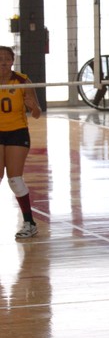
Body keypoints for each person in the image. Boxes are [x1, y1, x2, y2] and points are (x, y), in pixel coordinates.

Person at [0, 45, 42, 239]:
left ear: (12, 60)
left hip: (17, 132)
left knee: (15, 179)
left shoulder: (22, 80)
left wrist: (33, 107)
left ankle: (29, 222)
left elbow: (37, 113)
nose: (3, 63)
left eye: (6, 59)